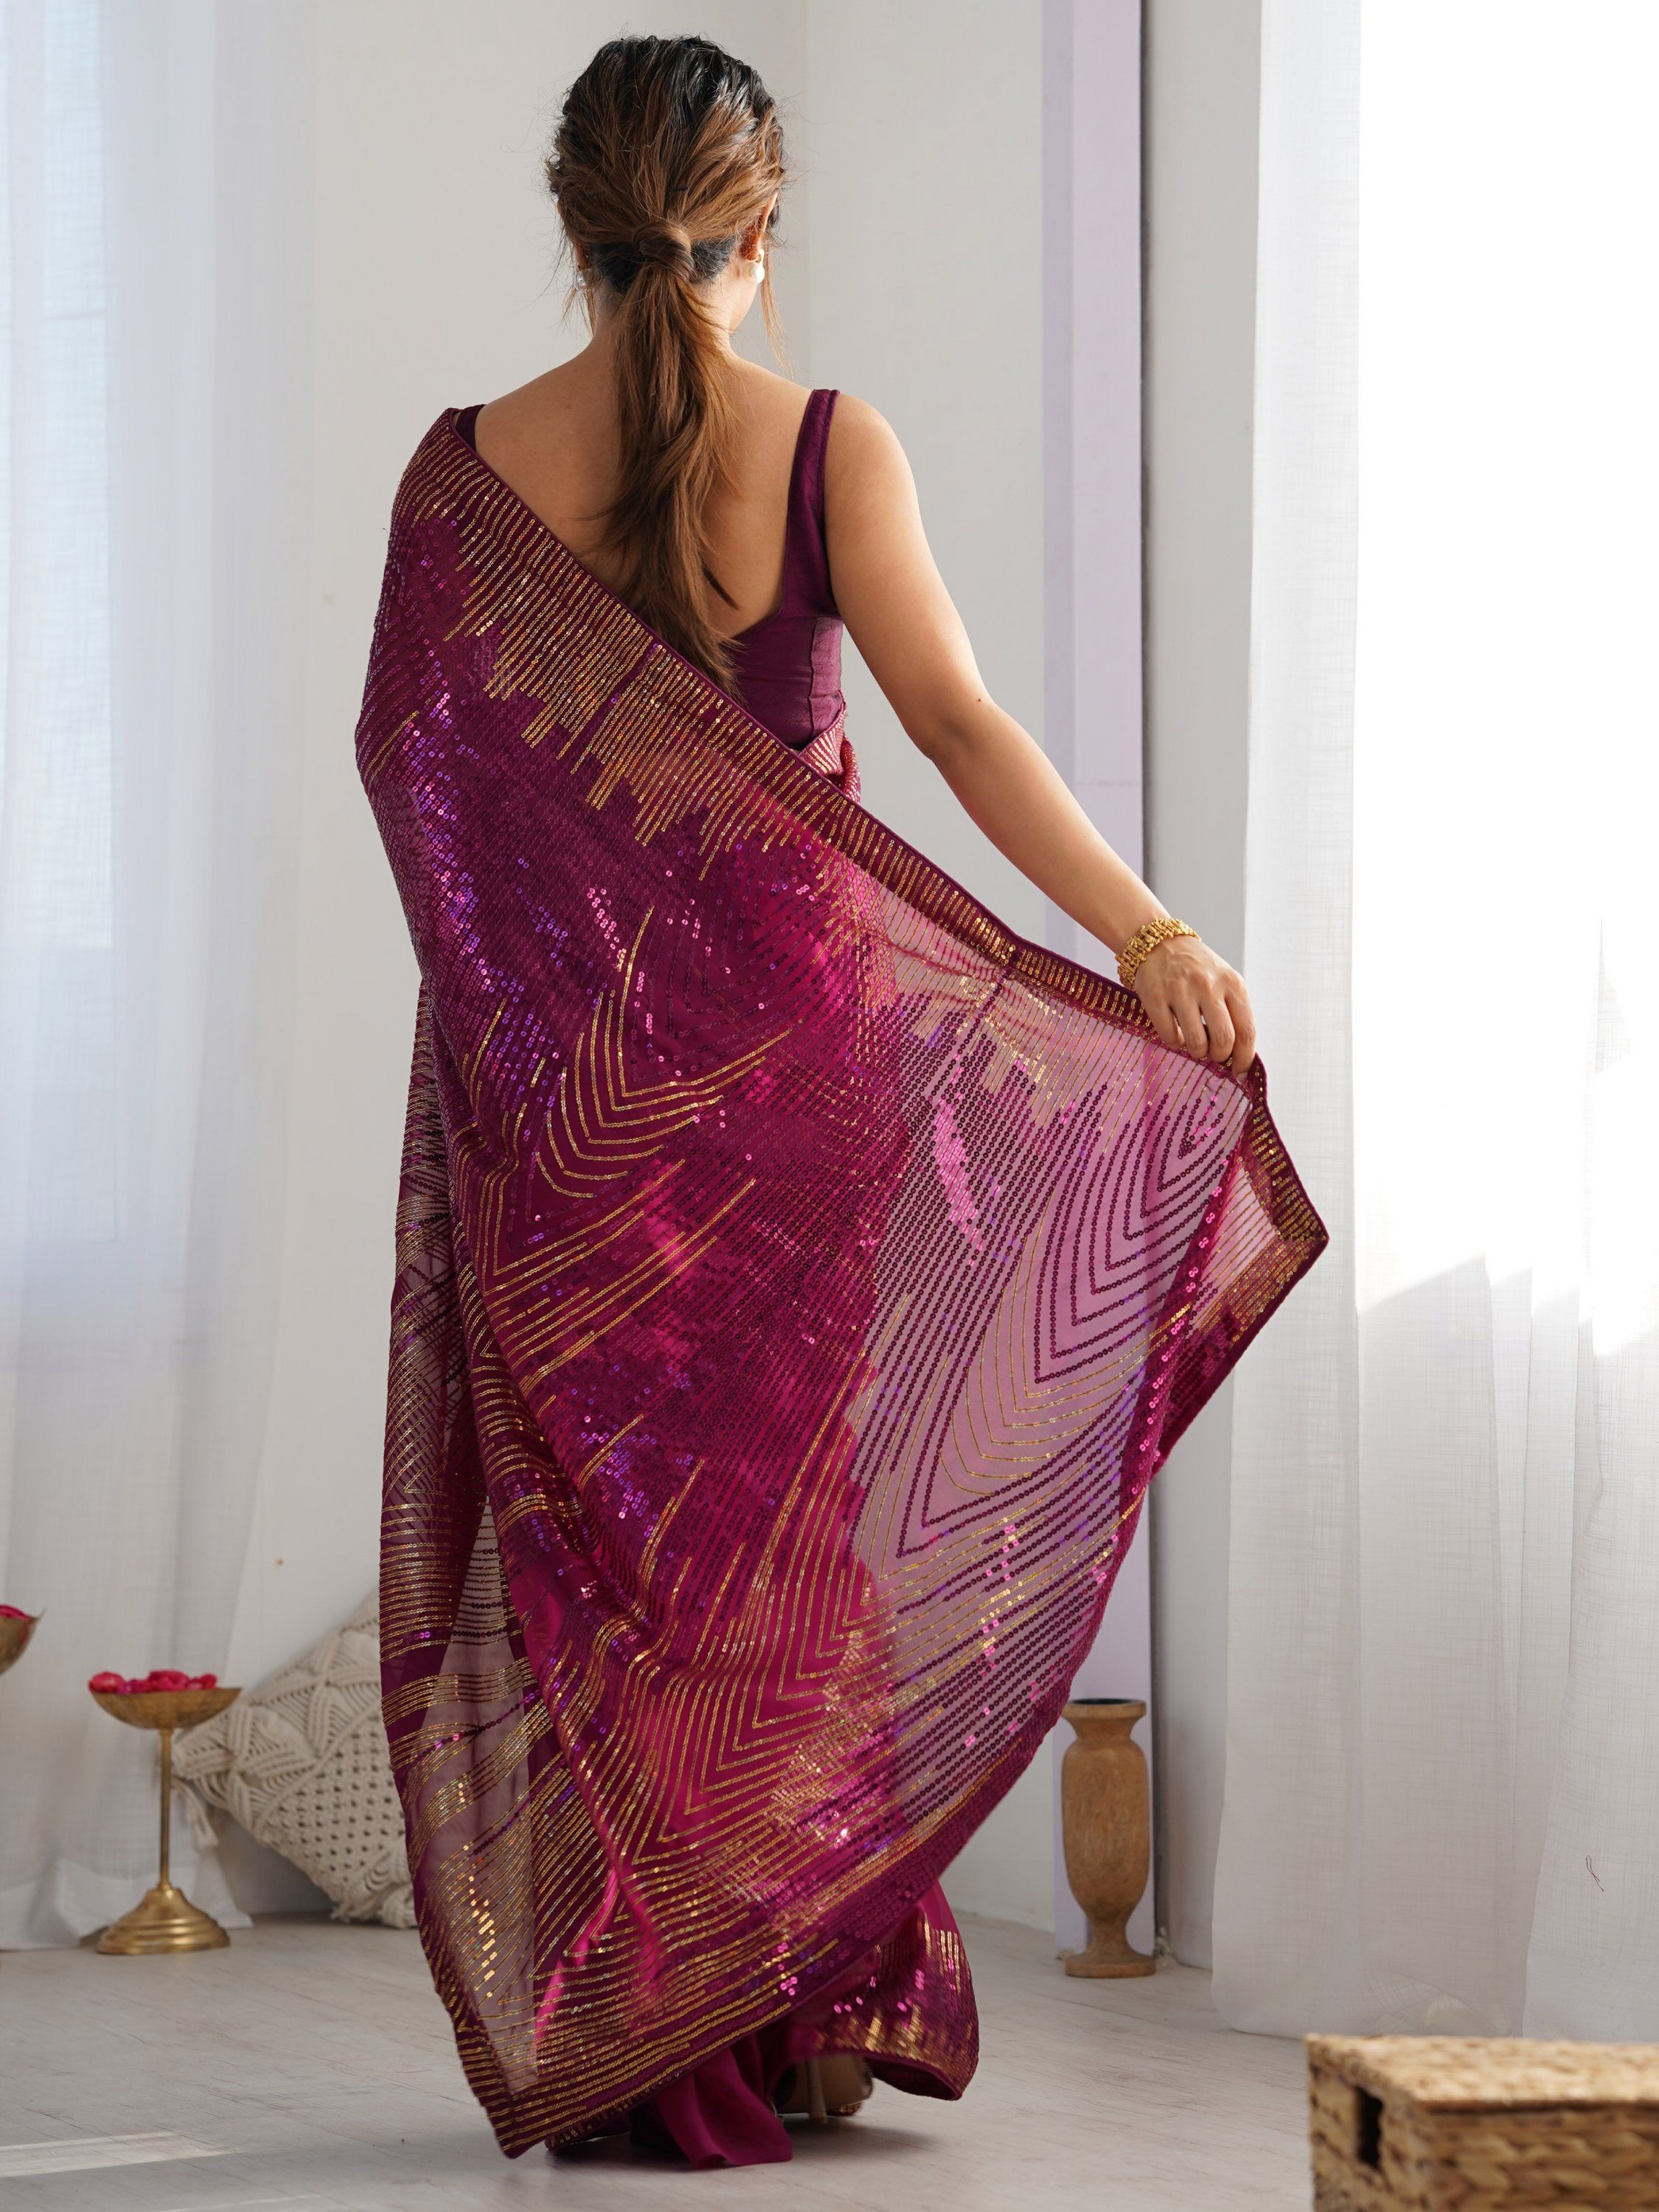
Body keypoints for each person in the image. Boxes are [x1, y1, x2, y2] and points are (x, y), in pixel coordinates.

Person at [357, 31, 1325, 2173]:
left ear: (570, 224)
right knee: (799, 1538)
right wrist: (1147, 934)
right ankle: (795, 2012)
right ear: (761, 226)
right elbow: (957, 726)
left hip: (578, 1108)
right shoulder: (819, 445)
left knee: (617, 1549)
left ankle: (655, 2024)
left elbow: (411, 779)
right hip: (805, 1063)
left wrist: (532, 1032)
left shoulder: (465, 474)